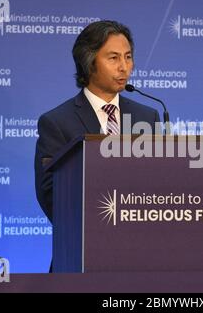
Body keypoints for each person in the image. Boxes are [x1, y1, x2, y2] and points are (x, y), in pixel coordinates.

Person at [34, 20, 160, 223]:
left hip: (140, 244)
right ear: (89, 62)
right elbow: (51, 198)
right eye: (113, 58)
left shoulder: (148, 118)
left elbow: (159, 185)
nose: (124, 67)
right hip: (83, 244)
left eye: (128, 57)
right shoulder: (56, 122)